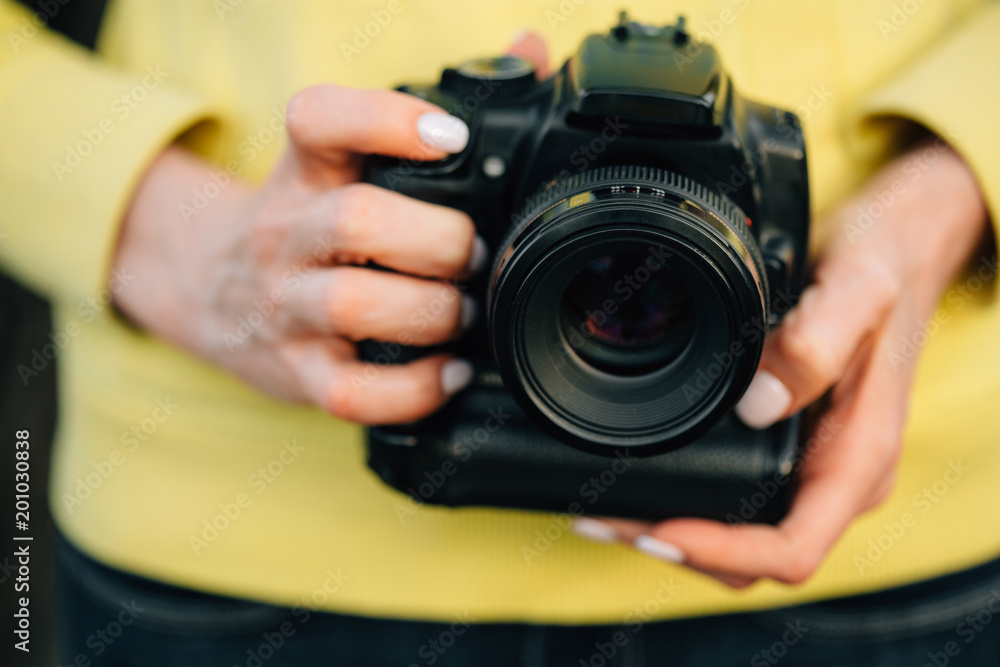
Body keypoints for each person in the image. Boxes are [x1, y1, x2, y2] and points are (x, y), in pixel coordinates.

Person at [1, 0, 998, 664]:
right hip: (234, 517)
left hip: (881, 514)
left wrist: (950, 188)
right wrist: (156, 225)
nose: (618, 302)